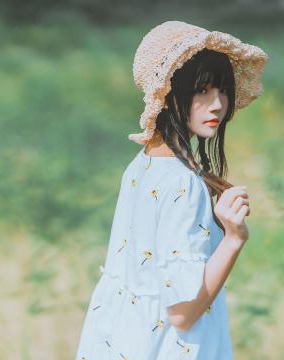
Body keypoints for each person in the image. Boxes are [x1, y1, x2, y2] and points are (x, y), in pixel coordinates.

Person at [74, 21, 268, 359]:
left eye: (222, 90)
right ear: (166, 93)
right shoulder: (183, 182)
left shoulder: (141, 165)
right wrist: (235, 237)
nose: (218, 104)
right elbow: (183, 312)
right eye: (202, 90)